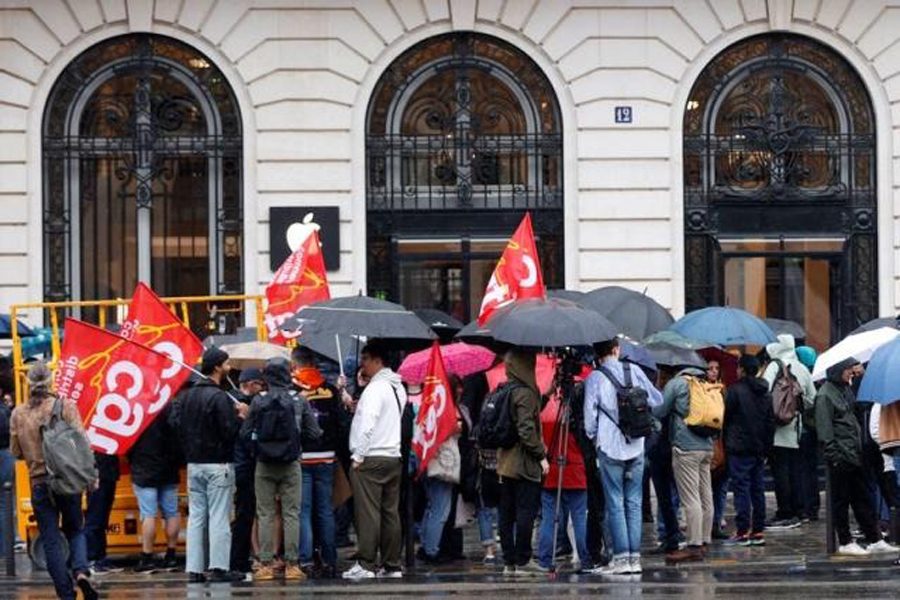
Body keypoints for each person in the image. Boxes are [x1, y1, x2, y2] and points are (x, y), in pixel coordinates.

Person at [11, 361, 98, 600]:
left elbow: (16, 452)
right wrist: (92, 476)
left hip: (39, 483)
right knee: (76, 530)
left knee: (51, 541)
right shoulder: (65, 406)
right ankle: (81, 572)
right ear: (51, 381)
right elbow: (82, 444)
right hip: (67, 480)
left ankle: (66, 594)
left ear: (28, 383)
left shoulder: (19, 413)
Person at [584, 339, 663, 574]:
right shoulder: (634, 370)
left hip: (609, 447)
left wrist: (594, 438)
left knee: (615, 502)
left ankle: (621, 559)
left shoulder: (595, 378)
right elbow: (656, 400)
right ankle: (634, 559)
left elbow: (589, 419)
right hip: (636, 445)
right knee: (635, 502)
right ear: (616, 349)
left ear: (598, 355)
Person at [244, 357, 321, 581]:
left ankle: (265, 565)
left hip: (264, 464)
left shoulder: (258, 400)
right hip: (291, 464)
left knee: (265, 513)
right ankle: (292, 565)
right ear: (288, 374)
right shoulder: (299, 400)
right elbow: (314, 433)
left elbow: (244, 433)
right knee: (291, 514)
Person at [176, 347, 247, 583]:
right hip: (218, 464)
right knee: (219, 517)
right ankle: (219, 567)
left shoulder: (187, 396)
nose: (229, 368)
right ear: (217, 367)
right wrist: (241, 417)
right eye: (226, 364)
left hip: (194, 464)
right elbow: (229, 432)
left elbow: (177, 426)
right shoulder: (218, 397)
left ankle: (195, 569)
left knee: (196, 518)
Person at [816, 358, 897, 555]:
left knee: (863, 498)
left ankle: (874, 538)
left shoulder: (844, 390)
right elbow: (825, 428)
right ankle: (845, 541)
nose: (850, 372)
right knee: (841, 500)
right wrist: (833, 454)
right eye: (847, 369)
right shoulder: (826, 395)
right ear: (837, 370)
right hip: (841, 455)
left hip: (854, 453)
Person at [343, 341, 408, 580]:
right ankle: (392, 564)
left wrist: (358, 457)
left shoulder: (375, 388)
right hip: (393, 455)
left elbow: (368, 425)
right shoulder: (396, 387)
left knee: (368, 513)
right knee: (390, 513)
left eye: (365, 359)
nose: (362, 365)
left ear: (378, 360)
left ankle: (366, 564)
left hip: (371, 456)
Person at [653, 361, 714, 563]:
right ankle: (705, 540)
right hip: (707, 445)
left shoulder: (677, 383)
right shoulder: (705, 380)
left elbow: (659, 411)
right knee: (706, 494)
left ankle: (693, 545)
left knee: (690, 498)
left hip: (686, 447)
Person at [495, 348, 548, 577]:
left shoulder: (506, 390)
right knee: (525, 512)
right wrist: (541, 454)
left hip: (504, 463)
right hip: (523, 464)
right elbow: (526, 429)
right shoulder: (525, 393)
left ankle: (509, 562)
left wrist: (545, 396)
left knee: (506, 515)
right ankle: (524, 559)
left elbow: (524, 416)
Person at [293, 348, 343, 578]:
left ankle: (306, 560)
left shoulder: (293, 389)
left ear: (295, 365)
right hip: (327, 456)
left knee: (303, 511)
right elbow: (341, 423)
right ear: (314, 363)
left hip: (302, 457)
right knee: (325, 510)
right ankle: (330, 560)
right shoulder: (331, 389)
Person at [762, 335, 816, 530]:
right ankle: (799, 510)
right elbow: (812, 398)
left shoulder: (775, 366)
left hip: (778, 429)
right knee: (796, 471)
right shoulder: (801, 367)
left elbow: (764, 391)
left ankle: (785, 512)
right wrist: (796, 407)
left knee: (781, 472)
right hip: (796, 428)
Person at [722, 355, 775, 546]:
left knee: (741, 489)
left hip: (739, 447)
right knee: (757, 489)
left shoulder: (735, 390)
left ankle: (743, 530)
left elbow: (725, 417)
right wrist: (767, 449)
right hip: (759, 448)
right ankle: (758, 530)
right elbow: (771, 422)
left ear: (742, 370)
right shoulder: (765, 392)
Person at [128, 399, 182, 572]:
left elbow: (128, 442)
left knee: (149, 514)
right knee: (171, 512)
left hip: (144, 469)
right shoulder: (171, 407)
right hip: (169, 468)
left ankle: (147, 556)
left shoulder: (136, 408)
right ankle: (171, 555)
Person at [538, 391, 589, 571]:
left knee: (549, 518)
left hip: (551, 469)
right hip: (576, 470)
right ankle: (585, 557)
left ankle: (545, 559)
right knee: (579, 518)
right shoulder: (580, 414)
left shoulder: (546, 410)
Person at [230, 368, 264, 575]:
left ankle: (241, 558)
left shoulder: (248, 403)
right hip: (246, 467)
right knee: (245, 514)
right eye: (259, 384)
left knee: (246, 514)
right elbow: (246, 438)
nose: (262, 389)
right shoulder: (240, 406)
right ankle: (239, 560)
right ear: (249, 384)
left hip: (243, 466)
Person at [795, 345, 821, 521]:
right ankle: (813, 507)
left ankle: (804, 506)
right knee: (811, 471)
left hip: (802, 430)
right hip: (814, 431)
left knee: (801, 470)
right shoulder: (820, 376)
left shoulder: (800, 376)